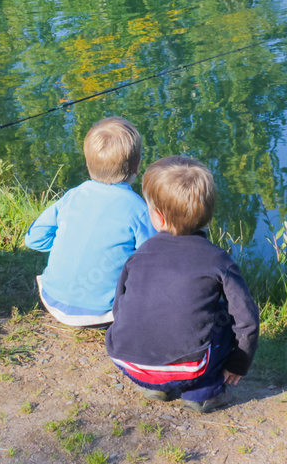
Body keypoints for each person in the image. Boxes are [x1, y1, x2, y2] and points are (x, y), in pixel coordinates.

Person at [105, 156, 259, 413]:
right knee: (223, 315)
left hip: (127, 361)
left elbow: (119, 308)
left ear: (157, 218)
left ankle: (156, 386)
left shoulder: (139, 254)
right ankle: (202, 393)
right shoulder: (218, 260)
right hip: (188, 369)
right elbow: (247, 321)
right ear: (208, 215)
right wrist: (238, 364)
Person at [24, 117, 155, 327]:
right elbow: (152, 261)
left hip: (51, 300)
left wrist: (69, 244)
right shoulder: (138, 208)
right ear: (137, 166)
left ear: (87, 163)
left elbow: (34, 239)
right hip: (105, 313)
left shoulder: (73, 196)